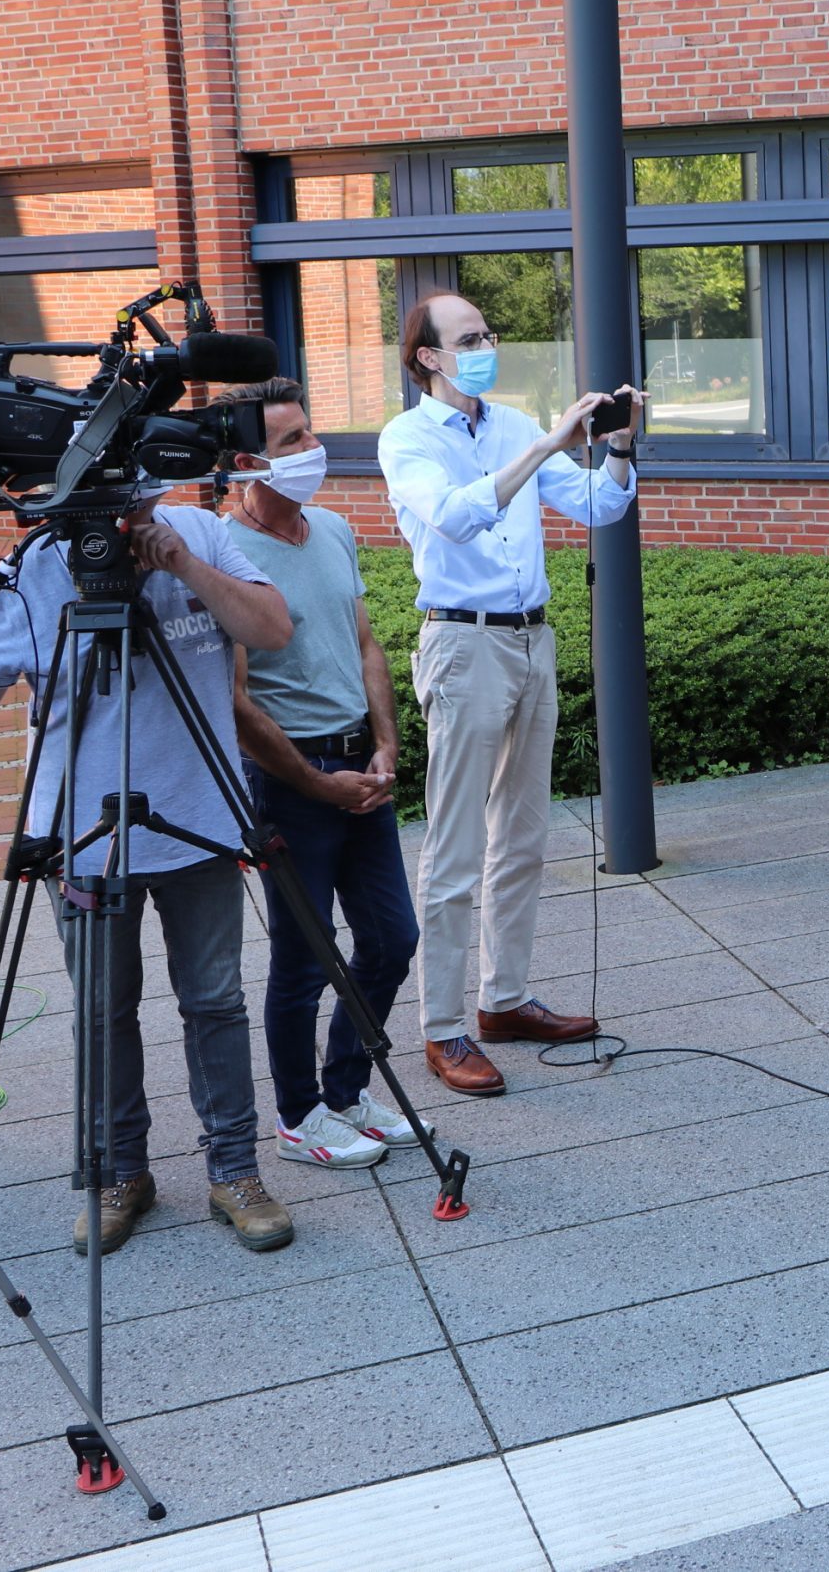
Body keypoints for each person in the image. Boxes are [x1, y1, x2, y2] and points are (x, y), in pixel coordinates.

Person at [0, 491, 298, 1255]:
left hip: (199, 818)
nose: (123, 505)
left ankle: (235, 1170)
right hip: (80, 828)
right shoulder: (36, 562)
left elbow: (271, 629)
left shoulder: (201, 529)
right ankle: (117, 1173)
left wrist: (179, 559)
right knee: (102, 1010)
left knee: (215, 1000)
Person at [379, 292, 639, 1096]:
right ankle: (443, 1028)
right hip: (463, 643)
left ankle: (505, 999)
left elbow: (597, 503)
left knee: (524, 836)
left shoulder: (515, 422)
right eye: (469, 337)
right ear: (427, 355)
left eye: (489, 332)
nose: (486, 345)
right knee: (456, 848)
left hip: (533, 637)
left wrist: (620, 449)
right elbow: (454, 517)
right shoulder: (406, 437)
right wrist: (545, 447)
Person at [218, 377, 421, 1170]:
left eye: (308, 432)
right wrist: (313, 779)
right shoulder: (225, 552)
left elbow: (364, 642)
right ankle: (298, 1116)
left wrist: (386, 743)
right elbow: (235, 701)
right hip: (292, 782)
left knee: (391, 938)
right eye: (290, 442)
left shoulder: (333, 528)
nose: (312, 452)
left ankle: (345, 1088)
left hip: (359, 770)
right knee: (305, 957)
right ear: (245, 463)